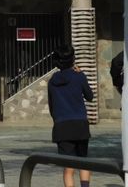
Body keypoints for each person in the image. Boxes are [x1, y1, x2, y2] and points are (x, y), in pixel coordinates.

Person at [48, 45, 94, 187]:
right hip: (80, 125)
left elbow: (52, 107)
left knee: (68, 167)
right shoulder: (79, 76)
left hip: (62, 126)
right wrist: (81, 75)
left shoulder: (52, 81)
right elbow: (90, 96)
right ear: (73, 59)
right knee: (83, 162)